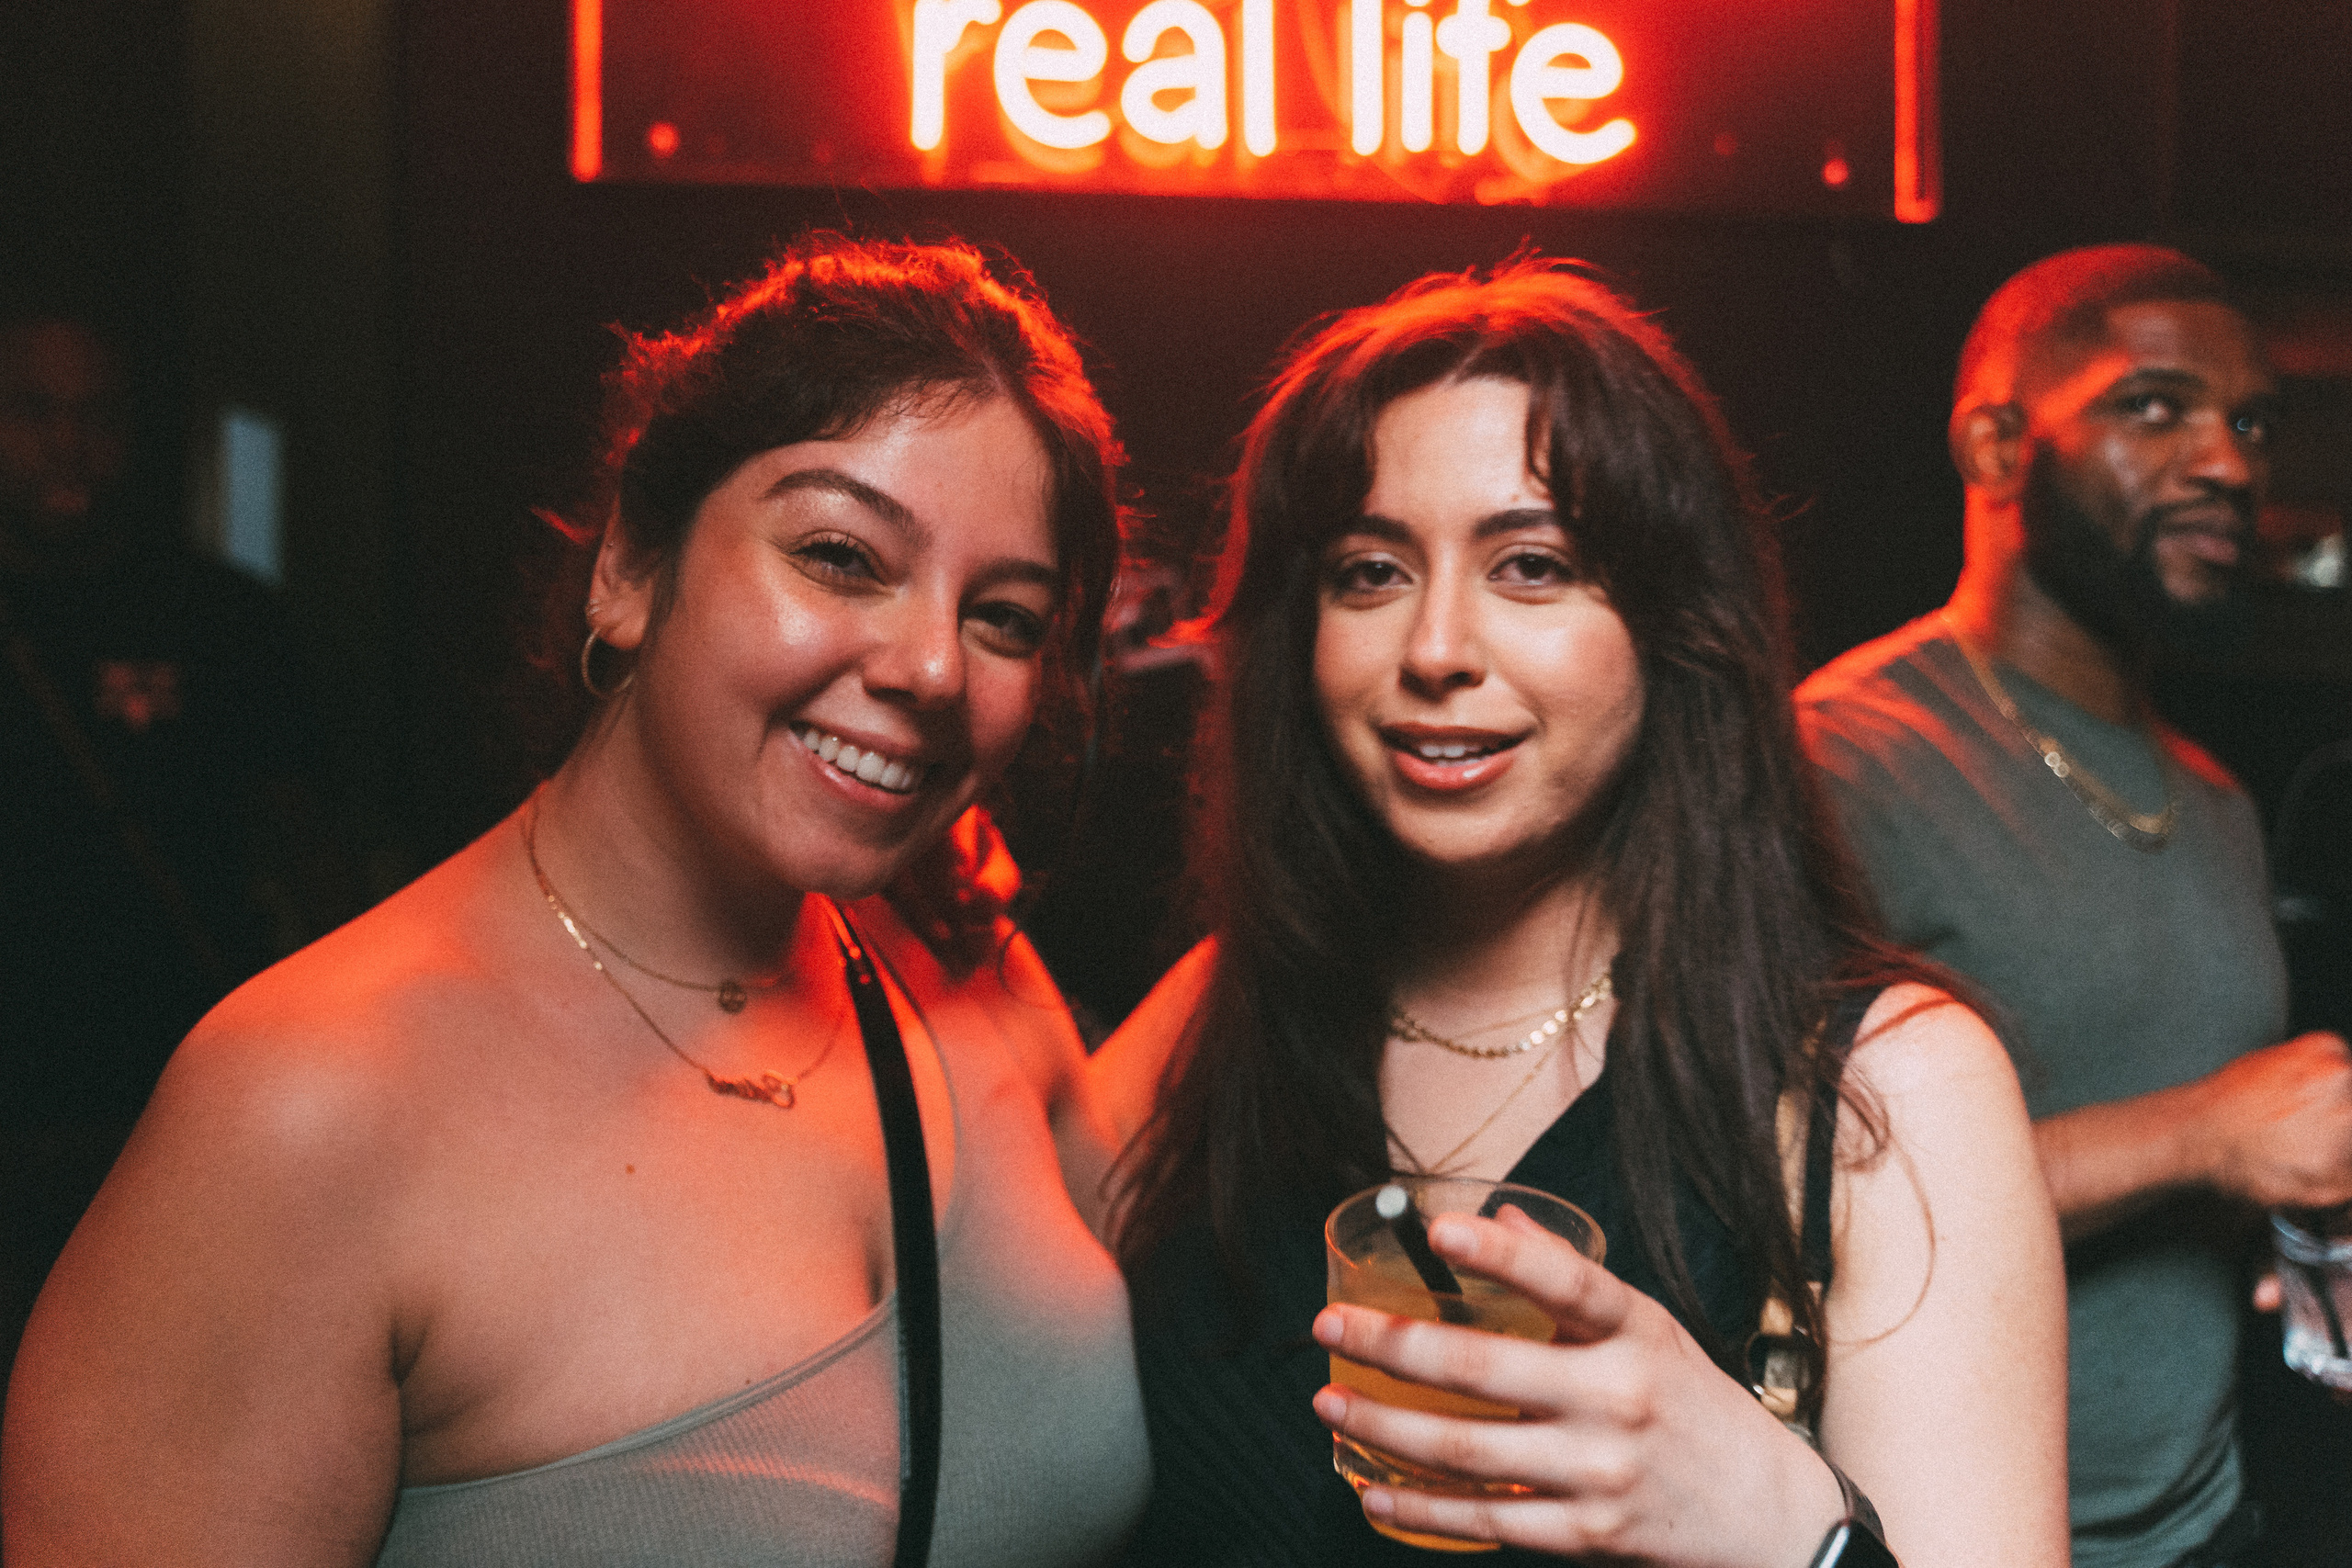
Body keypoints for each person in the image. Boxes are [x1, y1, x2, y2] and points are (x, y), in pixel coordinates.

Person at [3, 235, 1151, 1566]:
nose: (934, 667)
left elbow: (1208, 1245)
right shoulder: (305, 1108)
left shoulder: (963, 973)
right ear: (631, 567)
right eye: (842, 555)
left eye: (1005, 617)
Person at [1091, 260, 2067, 1566]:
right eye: (1371, 571)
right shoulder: (1215, 1014)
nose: (1436, 648)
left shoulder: (1886, 1082)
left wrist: (1786, 1526)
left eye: (1531, 566)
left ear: (1674, 627)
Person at [1793, 243, 2352, 1568]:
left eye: (2249, 423)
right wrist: (2204, 1133)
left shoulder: (2213, 799)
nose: (2225, 462)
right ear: (1996, 445)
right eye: (2153, 407)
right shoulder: (1839, 758)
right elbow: (1769, 1201)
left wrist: (2298, 1199)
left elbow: (2208, 1154)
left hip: (2209, 1521)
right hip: (1943, 1540)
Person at [0, 302, 339, 1393]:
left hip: (167, 1101)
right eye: (33, 412)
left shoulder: (216, 617)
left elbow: (306, 850)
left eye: (95, 416)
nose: (67, 444)